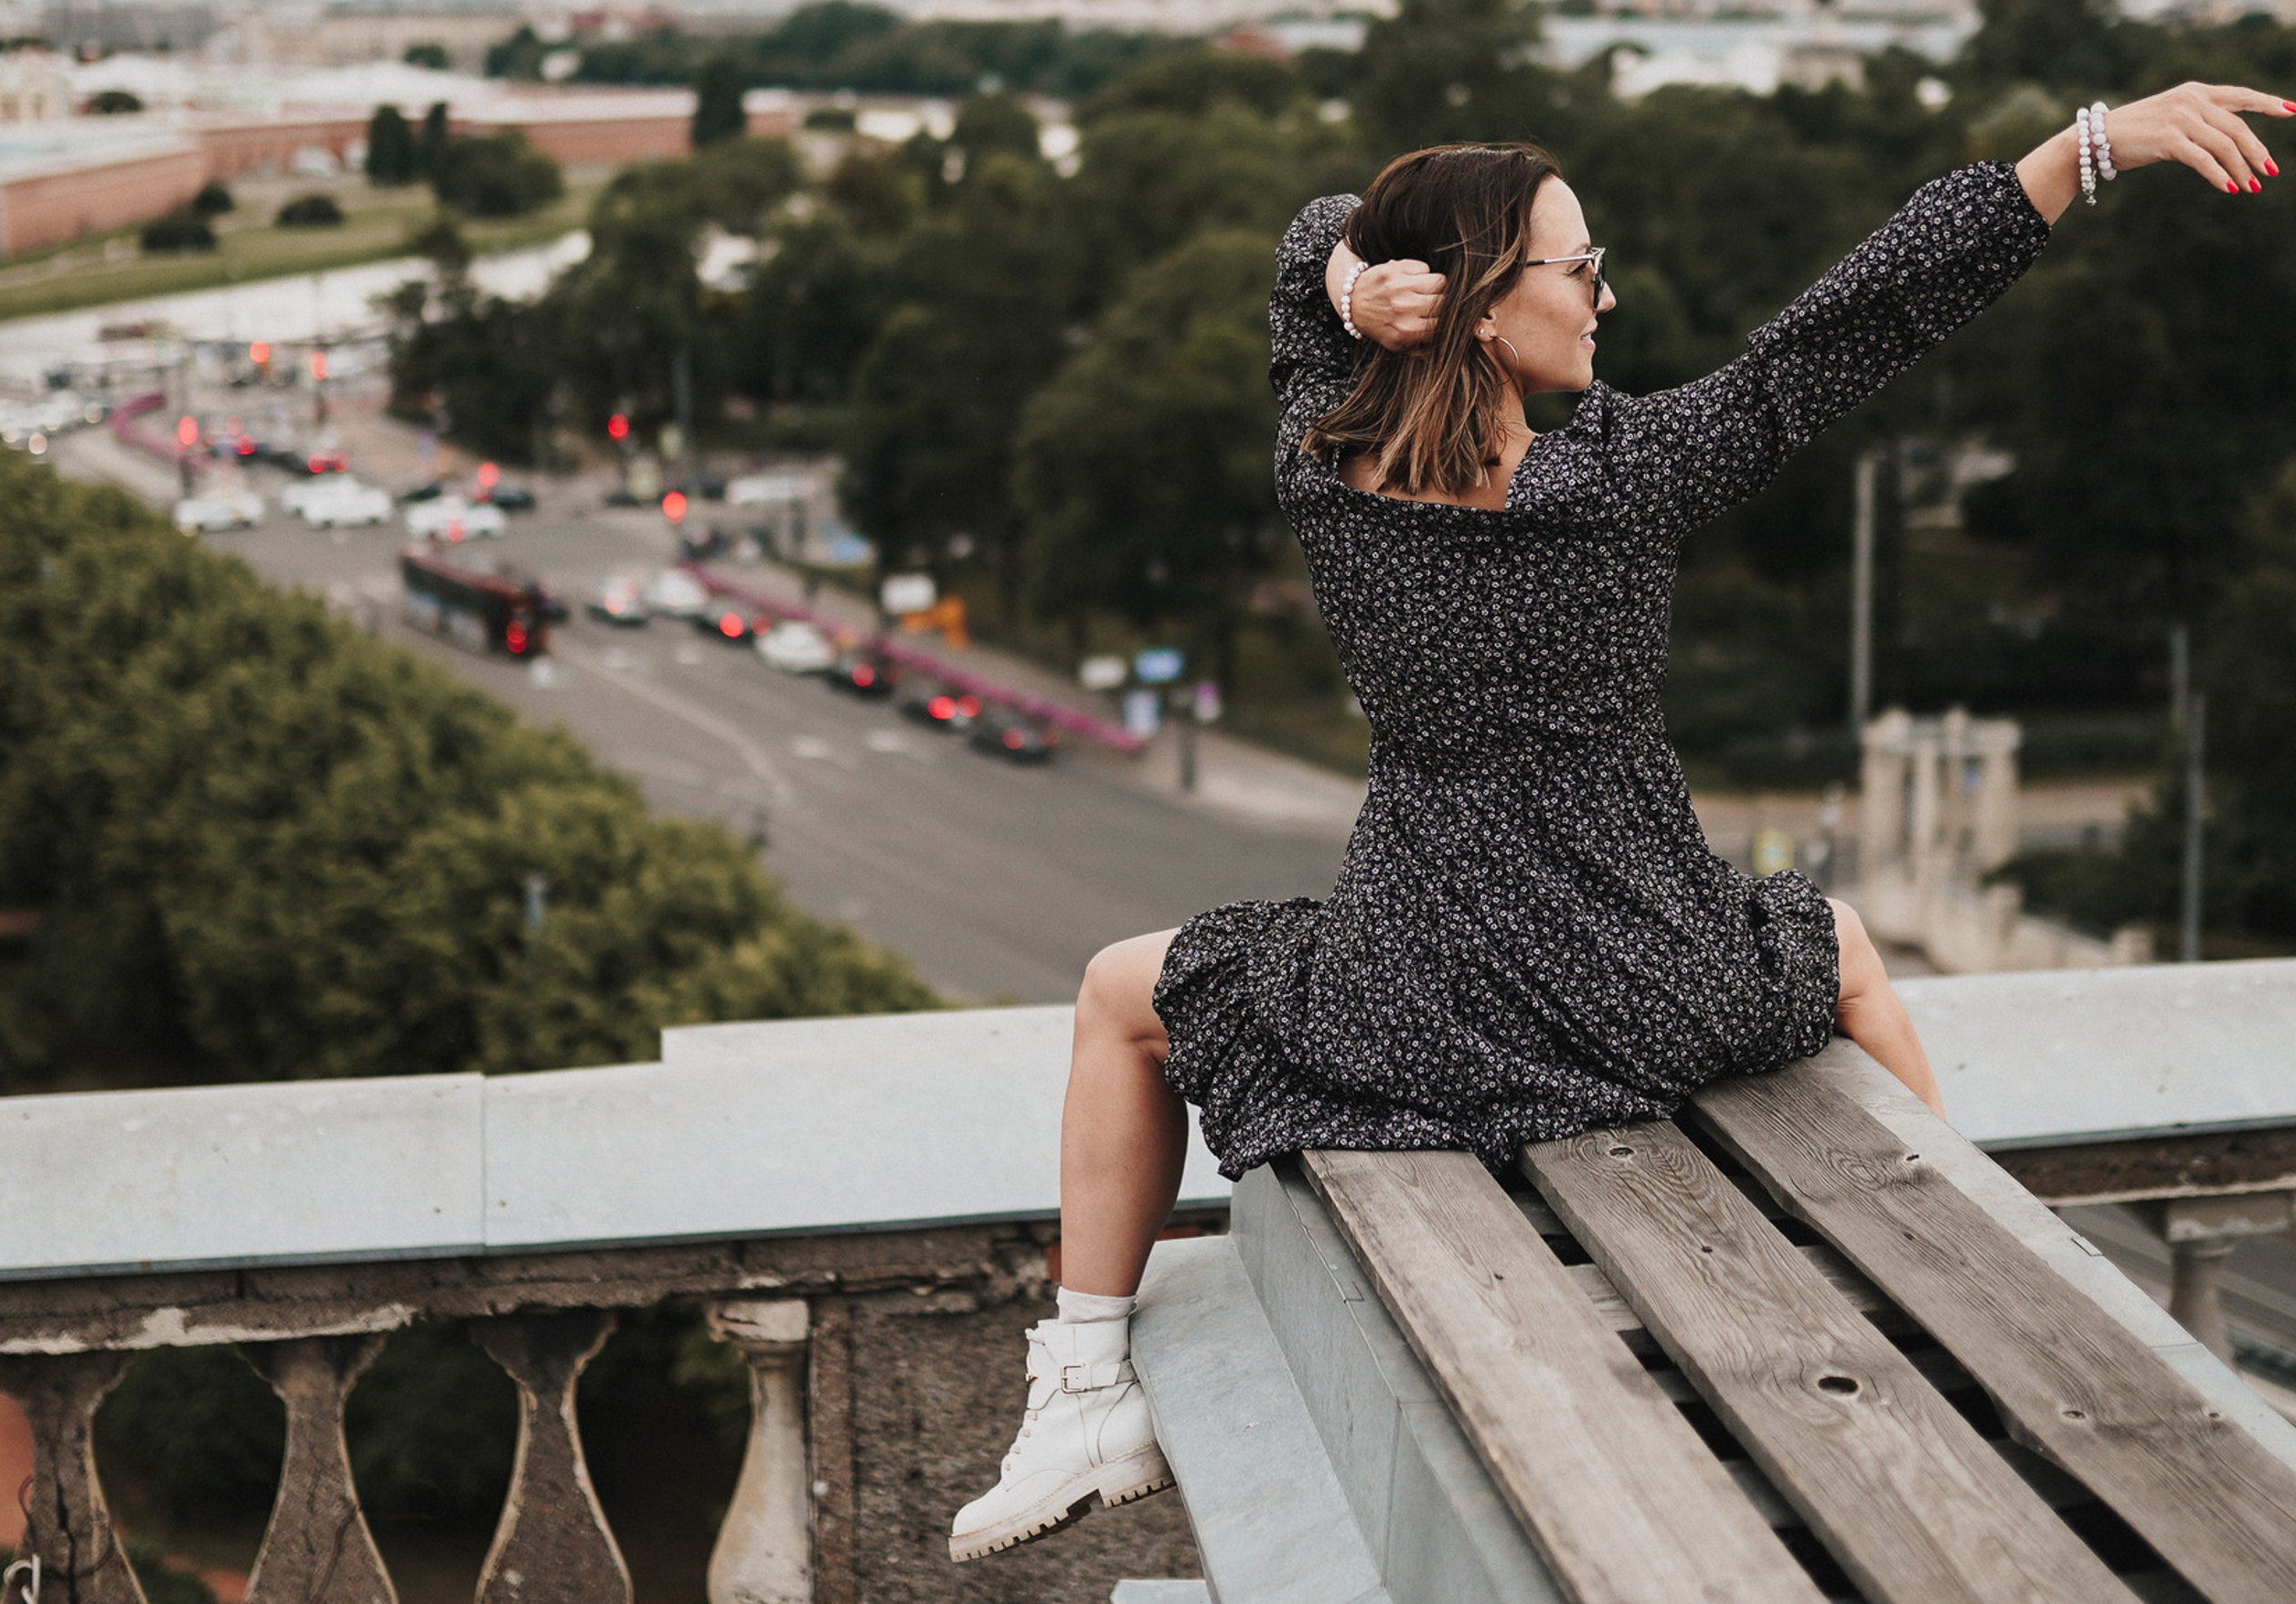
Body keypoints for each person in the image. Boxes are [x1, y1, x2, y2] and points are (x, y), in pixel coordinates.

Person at [949, 81, 2290, 1563]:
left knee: (1118, 996)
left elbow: (1306, 242)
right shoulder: (1625, 478)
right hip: (1664, 990)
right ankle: (1971, 1302)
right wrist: (2082, 150)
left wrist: (1350, 282)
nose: (1604, 296)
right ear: (1476, 304)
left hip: (1423, 999)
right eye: (1577, 270)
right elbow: (1860, 316)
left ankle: (1082, 1391)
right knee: (1837, 943)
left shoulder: (1318, 468)